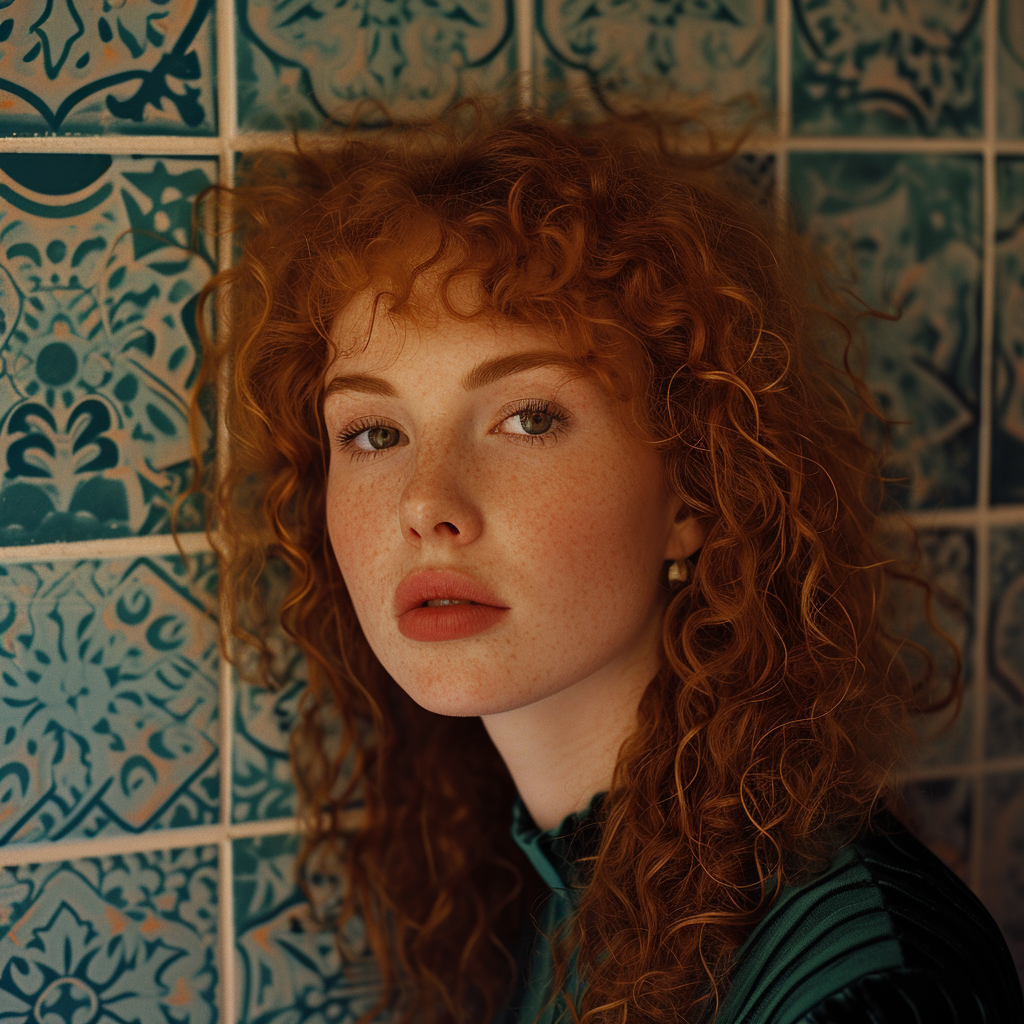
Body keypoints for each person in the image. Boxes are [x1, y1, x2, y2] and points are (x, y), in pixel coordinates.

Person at [189, 103, 1024, 1024]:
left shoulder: (866, 989)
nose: (425, 503)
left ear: (694, 492)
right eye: (375, 431)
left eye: (529, 418)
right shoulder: (539, 892)